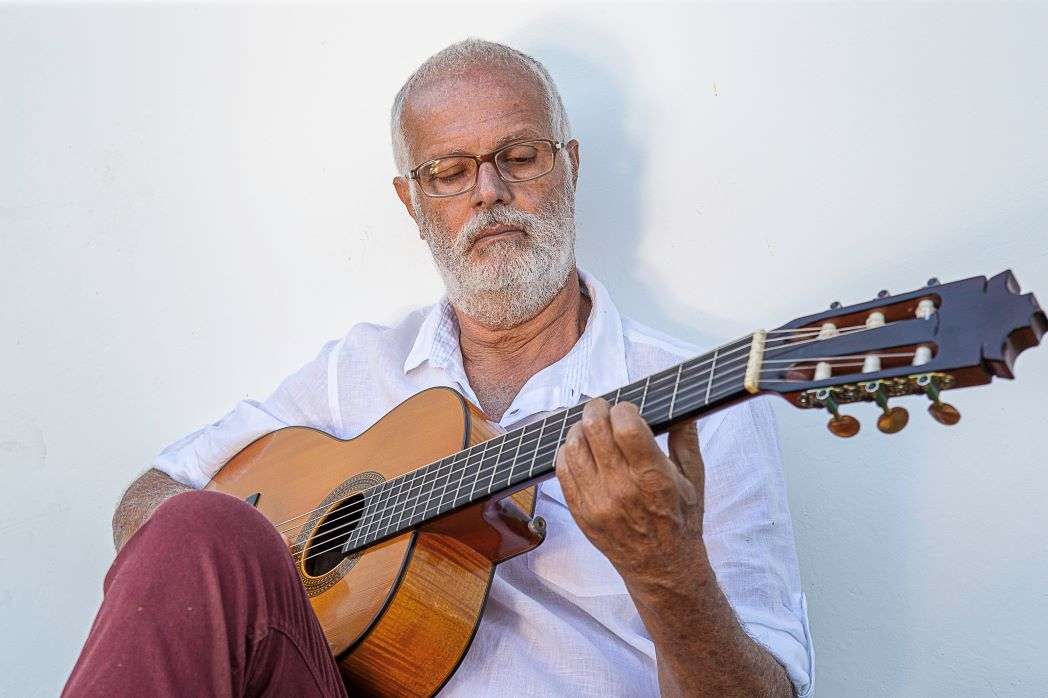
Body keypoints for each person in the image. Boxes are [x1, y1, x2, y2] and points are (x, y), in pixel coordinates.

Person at [64, 39, 813, 697]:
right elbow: (150, 503)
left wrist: (668, 574)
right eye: (450, 172)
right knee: (197, 525)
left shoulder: (705, 404)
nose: (490, 191)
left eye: (520, 157)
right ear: (412, 204)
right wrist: (268, 564)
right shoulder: (356, 370)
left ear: (570, 166)